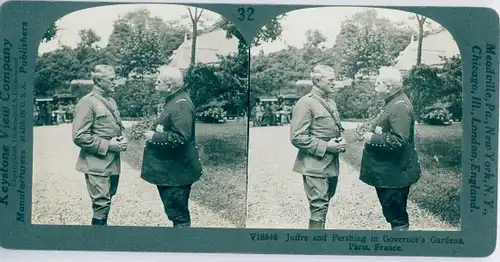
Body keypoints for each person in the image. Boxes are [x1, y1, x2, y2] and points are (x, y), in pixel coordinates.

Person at [359, 66, 421, 231]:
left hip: (394, 174)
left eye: (378, 82)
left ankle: (400, 249)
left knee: (397, 218)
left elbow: (399, 140)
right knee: (393, 214)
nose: (375, 85)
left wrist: (372, 137)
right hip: (391, 172)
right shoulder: (394, 102)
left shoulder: (399, 106)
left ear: (388, 87)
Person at [140, 66, 203, 228]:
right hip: (174, 172)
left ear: (169, 86)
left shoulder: (180, 105)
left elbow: (181, 137)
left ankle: (182, 247)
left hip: (176, 174)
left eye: (158, 81)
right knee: (175, 212)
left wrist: (154, 136)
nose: (155, 83)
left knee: (179, 216)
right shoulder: (175, 100)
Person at [290, 64, 347, 229]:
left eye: (334, 79)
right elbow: (297, 137)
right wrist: (326, 146)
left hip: (331, 164)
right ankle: (314, 245)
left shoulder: (330, 102)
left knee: (326, 201)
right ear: (317, 80)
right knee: (319, 206)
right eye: (330, 80)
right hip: (314, 164)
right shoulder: (305, 103)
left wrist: (339, 141)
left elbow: (331, 129)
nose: (334, 83)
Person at [72, 64, 127, 226]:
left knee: (107, 200)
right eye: (111, 80)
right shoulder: (87, 103)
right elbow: (79, 136)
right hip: (95, 163)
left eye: (115, 78)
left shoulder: (110, 101)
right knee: (101, 205)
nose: (115, 82)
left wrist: (120, 139)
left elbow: (112, 127)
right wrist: (108, 145)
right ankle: (97, 242)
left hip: (112, 162)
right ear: (98, 81)